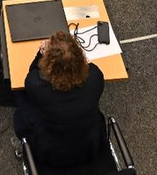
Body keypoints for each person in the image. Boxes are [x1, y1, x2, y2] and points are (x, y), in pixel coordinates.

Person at [13, 31, 105, 167]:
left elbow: (31, 74)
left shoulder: (37, 85)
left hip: (49, 152)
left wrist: (40, 53)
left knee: (20, 96)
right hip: (89, 146)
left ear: (48, 63)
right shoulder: (95, 76)